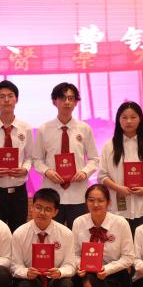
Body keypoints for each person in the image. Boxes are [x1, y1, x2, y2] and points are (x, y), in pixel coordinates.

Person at [33, 82, 99, 228]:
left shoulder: (84, 128)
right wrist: (47, 171)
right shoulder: (44, 129)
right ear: (54, 101)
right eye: (62, 98)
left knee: (78, 235)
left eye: (71, 98)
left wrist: (84, 172)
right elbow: (36, 159)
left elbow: (94, 159)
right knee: (52, 235)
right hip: (52, 194)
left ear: (76, 102)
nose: (67, 102)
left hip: (78, 193)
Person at [69, 184, 135, 287]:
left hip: (112, 276)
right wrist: (80, 265)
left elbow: (129, 257)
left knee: (88, 281)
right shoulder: (79, 222)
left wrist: (107, 269)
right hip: (86, 272)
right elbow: (74, 254)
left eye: (100, 200)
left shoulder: (120, 223)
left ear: (108, 202)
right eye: (91, 200)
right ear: (86, 202)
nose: (96, 204)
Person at [9, 189, 76, 287]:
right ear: (32, 208)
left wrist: (60, 272)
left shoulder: (66, 234)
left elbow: (70, 265)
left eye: (48, 209)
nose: (42, 212)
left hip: (54, 277)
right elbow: (14, 266)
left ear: (55, 212)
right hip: (30, 278)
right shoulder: (19, 233)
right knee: (28, 286)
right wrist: (27, 272)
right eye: (38, 207)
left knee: (65, 284)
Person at [98, 101, 143, 235]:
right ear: (118, 120)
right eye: (124, 117)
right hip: (117, 208)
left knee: (141, 244)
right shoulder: (109, 146)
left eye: (133, 117)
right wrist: (118, 188)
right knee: (118, 244)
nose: (128, 121)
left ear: (140, 119)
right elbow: (102, 176)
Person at [0, 80, 34, 235]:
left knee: (18, 233)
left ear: (16, 99)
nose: (6, 100)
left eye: (10, 96)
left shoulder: (26, 128)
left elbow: (30, 156)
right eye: (2, 97)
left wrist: (25, 169)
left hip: (19, 191)